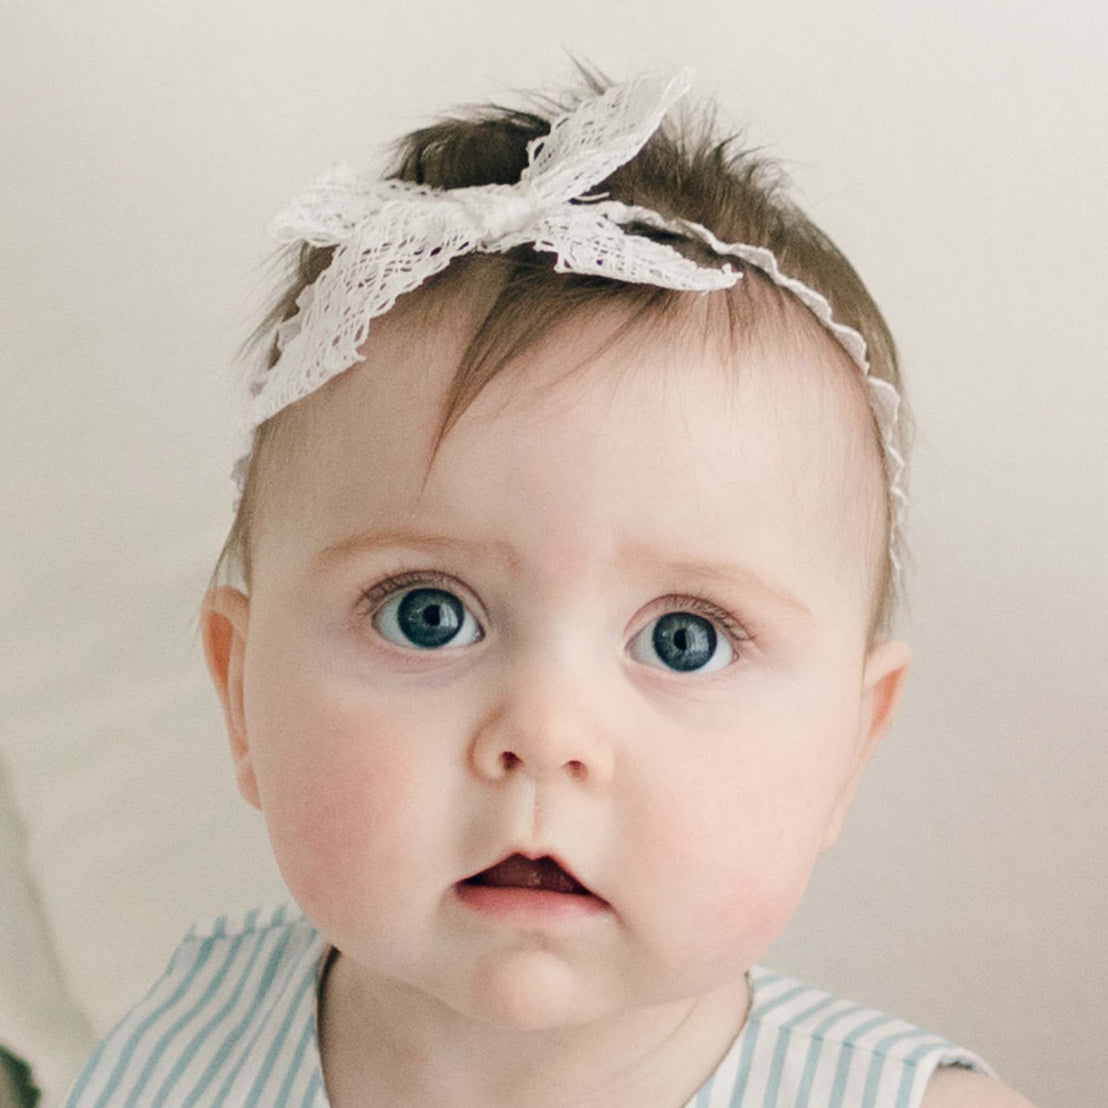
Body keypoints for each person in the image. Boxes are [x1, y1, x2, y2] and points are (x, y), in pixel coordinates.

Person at [62, 68, 1035, 1107]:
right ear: (242, 690)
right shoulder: (182, 1040)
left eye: (684, 640)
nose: (546, 730)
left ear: (848, 745)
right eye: (427, 615)